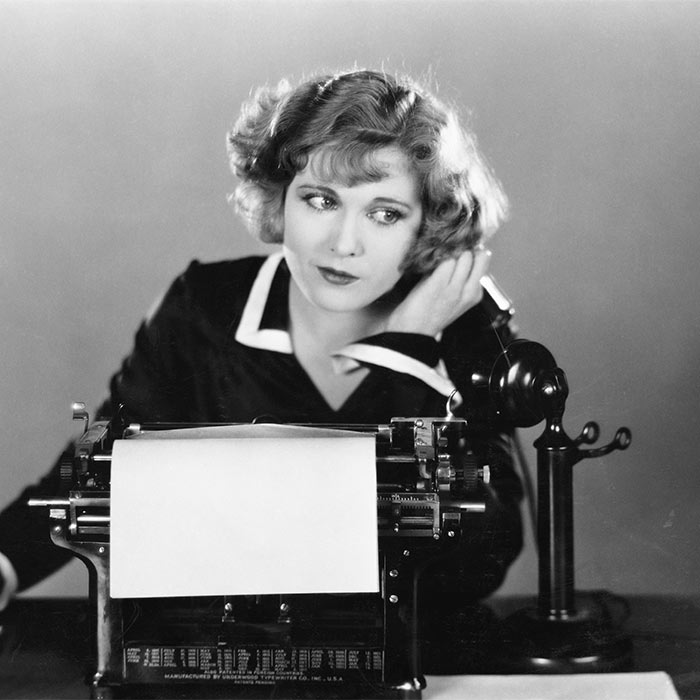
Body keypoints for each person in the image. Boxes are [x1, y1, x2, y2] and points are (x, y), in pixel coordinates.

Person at [0, 68, 522, 670]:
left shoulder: (459, 325)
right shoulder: (207, 305)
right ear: (279, 198)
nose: (344, 243)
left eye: (384, 213)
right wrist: (4, 564)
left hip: (404, 661)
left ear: (425, 225)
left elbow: (485, 556)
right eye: (320, 200)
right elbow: (103, 468)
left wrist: (406, 353)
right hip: (218, 659)